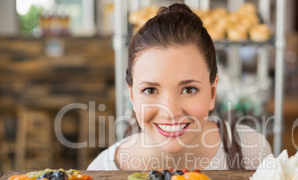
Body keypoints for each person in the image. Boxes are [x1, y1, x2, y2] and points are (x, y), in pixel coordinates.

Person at [87, 3, 271, 171]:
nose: (170, 111)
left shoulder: (252, 151)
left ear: (212, 92)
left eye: (189, 89)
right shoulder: (102, 170)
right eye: (150, 90)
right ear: (132, 97)